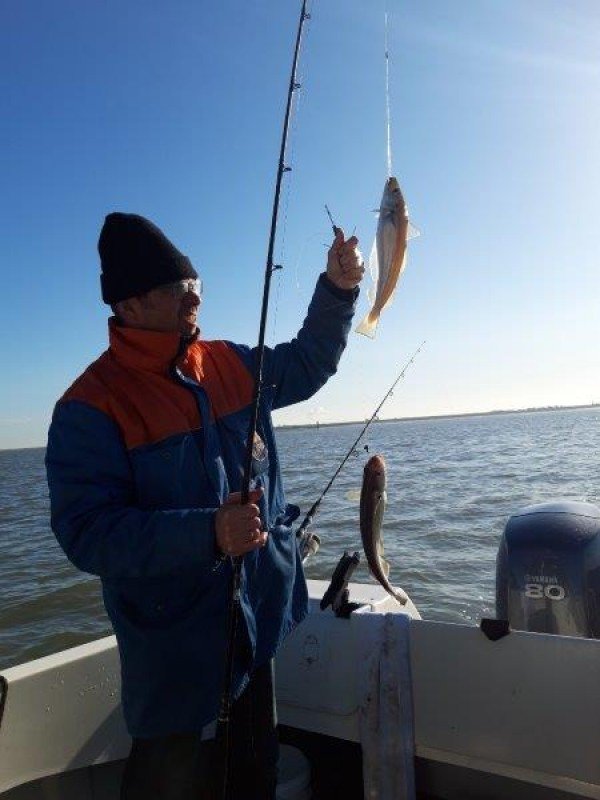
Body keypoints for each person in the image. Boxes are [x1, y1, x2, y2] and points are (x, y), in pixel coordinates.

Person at [45, 212, 364, 800]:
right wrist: (209, 532)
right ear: (130, 304)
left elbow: (306, 363)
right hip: (174, 644)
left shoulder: (227, 362)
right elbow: (88, 533)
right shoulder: (89, 407)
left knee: (254, 773)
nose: (193, 300)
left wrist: (338, 292)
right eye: (177, 290)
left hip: (256, 616)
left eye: (196, 287)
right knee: (166, 780)